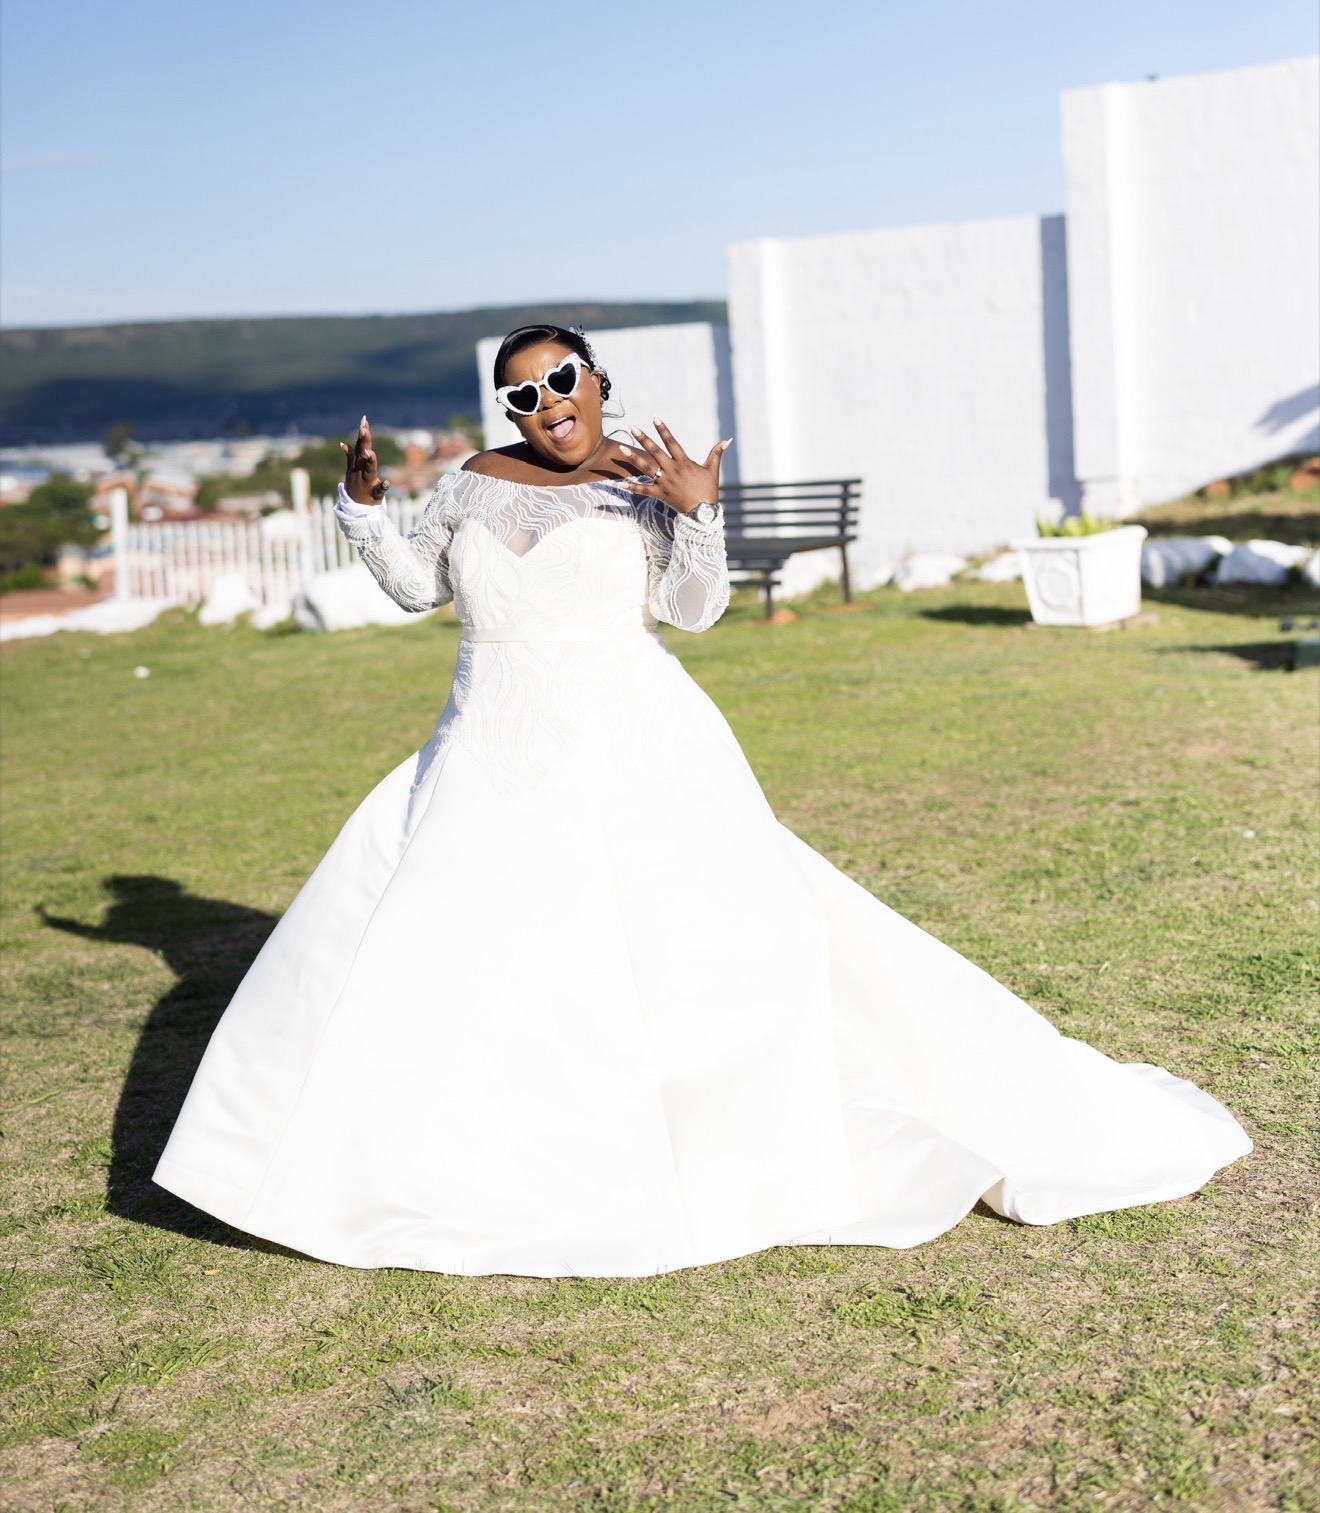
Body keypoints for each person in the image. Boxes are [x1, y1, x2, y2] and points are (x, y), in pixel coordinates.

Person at [153, 324, 1252, 1277]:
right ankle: (463, 1159)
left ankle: (706, 1143)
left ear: (598, 382)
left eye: (563, 381)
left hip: (637, 744)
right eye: (523, 393)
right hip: (488, 749)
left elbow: (693, 610)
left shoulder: (643, 475)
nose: (548, 406)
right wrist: (361, 511)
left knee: (692, 955)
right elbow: (413, 589)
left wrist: (700, 511)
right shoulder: (473, 482)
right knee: (458, 954)